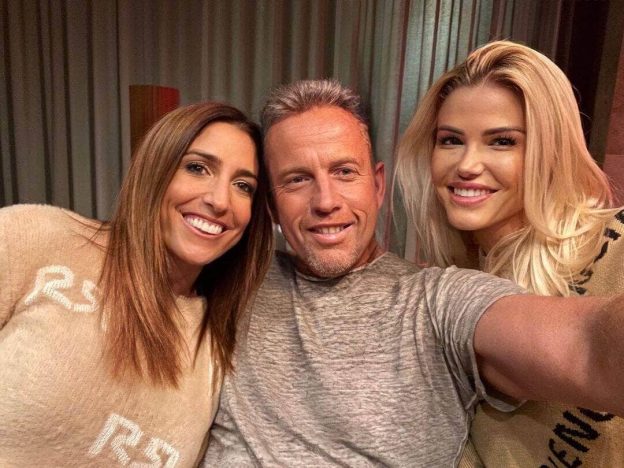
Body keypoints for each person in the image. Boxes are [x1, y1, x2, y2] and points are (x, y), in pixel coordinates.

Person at [204, 78, 624, 467]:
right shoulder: (235, 279)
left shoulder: (436, 300)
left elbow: (586, 347)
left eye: (344, 172)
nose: (326, 201)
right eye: (297, 180)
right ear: (272, 206)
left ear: (377, 185)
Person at [0, 102, 273, 466]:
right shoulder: (35, 237)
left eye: (243, 186)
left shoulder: (216, 349)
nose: (220, 200)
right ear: (154, 170)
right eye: (197, 168)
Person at [395, 40, 624, 466]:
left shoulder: (617, 248)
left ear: (549, 151)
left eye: (501, 141)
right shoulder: (440, 292)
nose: (467, 164)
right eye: (450, 140)